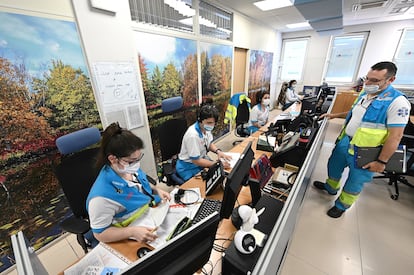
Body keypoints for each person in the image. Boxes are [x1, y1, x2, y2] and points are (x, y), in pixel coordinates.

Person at [313, 61, 411, 218]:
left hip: (367, 150)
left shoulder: (398, 102)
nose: (368, 83)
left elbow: (396, 136)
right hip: (347, 141)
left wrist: (381, 162)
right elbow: (354, 113)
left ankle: (342, 205)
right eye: (367, 78)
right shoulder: (365, 94)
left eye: (375, 80)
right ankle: (330, 187)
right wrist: (334, 115)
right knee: (334, 166)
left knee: (355, 180)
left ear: (390, 80)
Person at [86, 122, 171, 243]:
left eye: (138, 159)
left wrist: (157, 190)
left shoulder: (128, 168)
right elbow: (100, 234)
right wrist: (131, 232)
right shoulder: (101, 197)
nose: (136, 164)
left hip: (150, 215)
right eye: (132, 161)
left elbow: (141, 183)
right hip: (130, 234)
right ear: (112, 159)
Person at [176, 103, 232, 182]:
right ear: (200, 120)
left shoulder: (205, 129)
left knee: (220, 176)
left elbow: (209, 144)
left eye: (213, 123)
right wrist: (217, 165)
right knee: (204, 185)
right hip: (188, 167)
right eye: (209, 123)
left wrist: (218, 151)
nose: (211, 125)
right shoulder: (193, 135)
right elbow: (196, 160)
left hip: (201, 160)